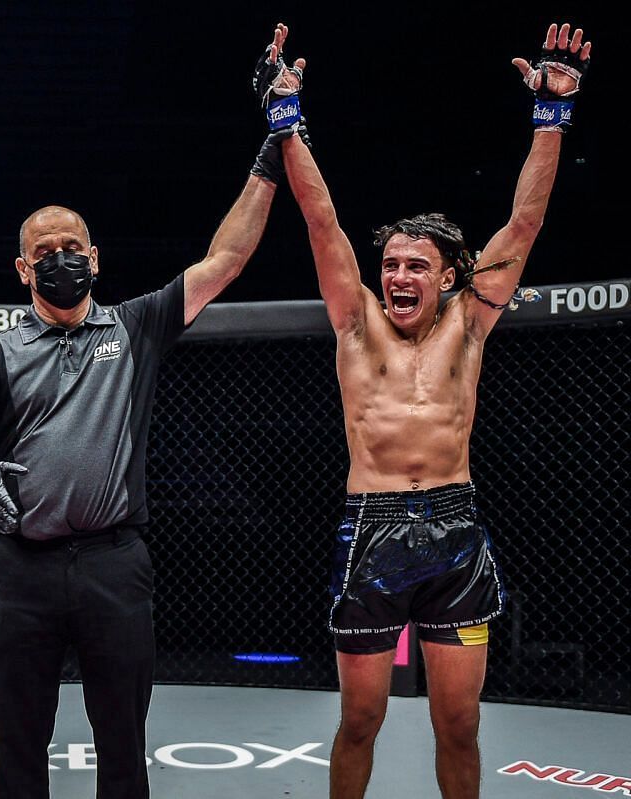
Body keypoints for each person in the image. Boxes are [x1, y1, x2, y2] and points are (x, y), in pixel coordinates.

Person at [0, 36, 304, 797]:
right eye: (45, 250)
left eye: (72, 246)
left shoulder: (135, 326)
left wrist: (276, 140)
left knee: (124, 747)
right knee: (19, 748)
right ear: (22, 268)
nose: (60, 257)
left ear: (95, 258)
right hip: (23, 565)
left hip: (113, 562)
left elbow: (224, 258)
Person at [266, 21, 592, 799]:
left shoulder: (472, 319)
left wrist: (551, 120)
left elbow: (523, 224)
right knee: (360, 720)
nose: (399, 275)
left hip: (455, 528)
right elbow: (320, 218)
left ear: (449, 275)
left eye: (417, 265)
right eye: (391, 264)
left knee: (459, 723)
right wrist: (285, 121)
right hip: (371, 525)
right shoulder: (355, 320)